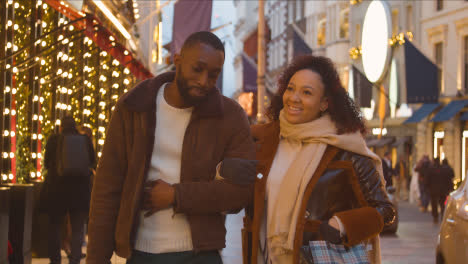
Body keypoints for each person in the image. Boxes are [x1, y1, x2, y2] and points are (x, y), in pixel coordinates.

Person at [86, 31, 257, 264]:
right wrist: (97, 258)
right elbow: (107, 189)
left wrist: (176, 195)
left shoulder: (230, 116)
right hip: (142, 253)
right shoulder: (134, 107)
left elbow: (240, 193)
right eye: (197, 69)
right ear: (177, 61)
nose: (204, 81)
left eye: (213, 75)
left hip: (201, 255)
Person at [245, 55, 395, 263]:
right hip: (265, 257)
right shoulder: (265, 140)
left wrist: (342, 224)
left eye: (307, 92)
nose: (294, 98)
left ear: (324, 103)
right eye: (290, 88)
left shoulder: (345, 149)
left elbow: (385, 210)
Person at [43, 115, 96, 264]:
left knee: (54, 227)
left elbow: (47, 163)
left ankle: (55, 260)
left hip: (57, 190)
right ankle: (75, 259)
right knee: (78, 228)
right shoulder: (85, 140)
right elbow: (92, 161)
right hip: (79, 191)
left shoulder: (54, 140)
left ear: (61, 127)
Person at [427, 158, 452, 223]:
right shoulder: (443, 169)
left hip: (433, 190)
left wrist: (428, 188)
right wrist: (449, 188)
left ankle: (435, 216)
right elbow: (448, 180)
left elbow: (427, 180)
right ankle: (442, 215)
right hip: (442, 190)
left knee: (434, 204)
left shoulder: (431, 169)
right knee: (442, 203)